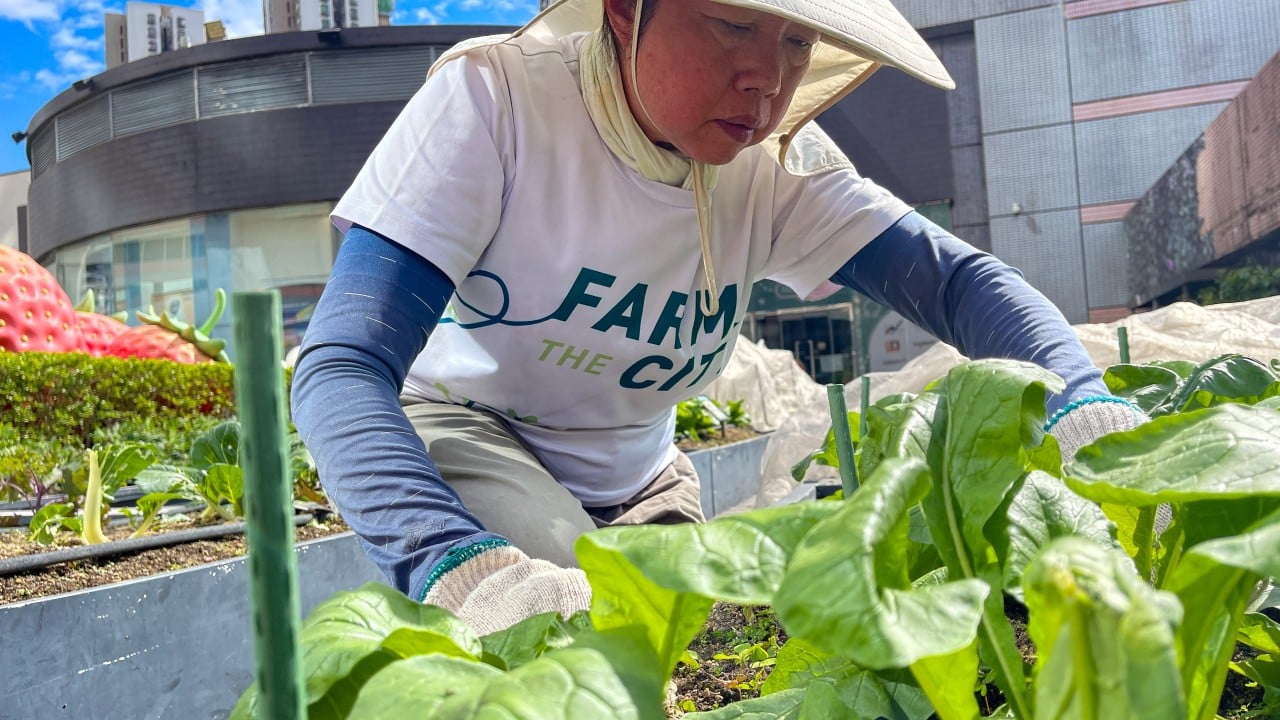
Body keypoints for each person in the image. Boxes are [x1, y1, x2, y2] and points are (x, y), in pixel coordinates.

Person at [290, 0, 1146, 635]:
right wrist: (451, 560)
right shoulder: (497, 104)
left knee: (731, 643)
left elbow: (958, 286)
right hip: (473, 432)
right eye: (736, 24)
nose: (768, 80)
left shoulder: (771, 165)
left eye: (798, 40)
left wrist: (1082, 404)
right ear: (626, 11)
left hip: (644, 479)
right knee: (563, 626)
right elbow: (342, 368)